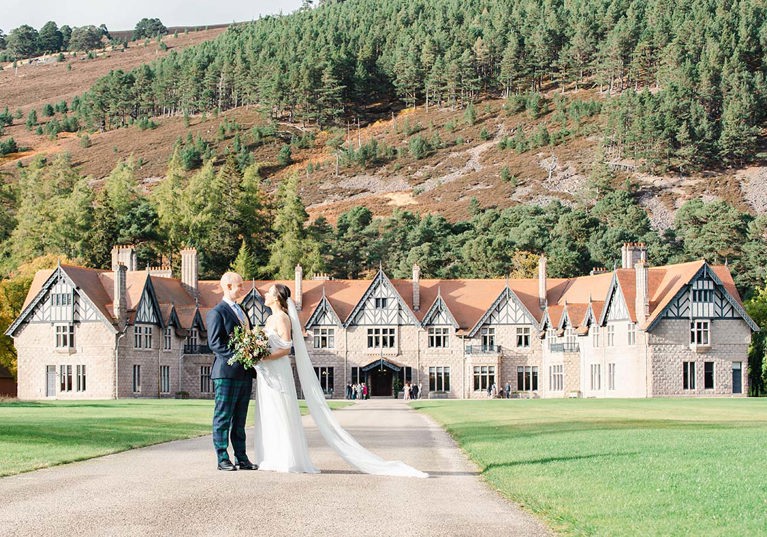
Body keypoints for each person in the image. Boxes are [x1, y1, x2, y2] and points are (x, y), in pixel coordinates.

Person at [253, 284, 427, 478]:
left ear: (277, 298)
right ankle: (272, 456)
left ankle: (287, 459)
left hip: (277, 369)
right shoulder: (269, 319)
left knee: (281, 411)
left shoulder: (282, 318)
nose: (265, 294)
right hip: (267, 373)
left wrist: (263, 357)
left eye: (269, 292)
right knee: (269, 411)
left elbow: (286, 348)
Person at [206, 272, 258, 471]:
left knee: (240, 419)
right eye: (240, 286)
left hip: (245, 373)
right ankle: (222, 458)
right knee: (223, 417)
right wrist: (240, 358)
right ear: (228, 286)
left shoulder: (243, 310)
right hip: (226, 373)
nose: (242, 289)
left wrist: (251, 357)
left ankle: (242, 457)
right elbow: (216, 344)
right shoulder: (216, 313)